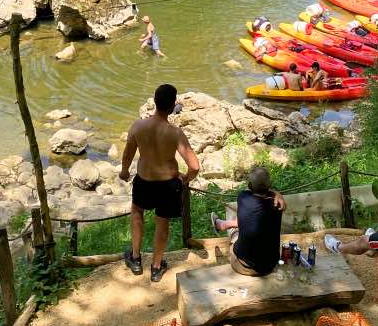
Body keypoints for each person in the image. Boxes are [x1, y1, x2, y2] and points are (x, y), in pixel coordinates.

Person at [121, 84, 200, 282]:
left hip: (144, 181)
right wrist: (185, 178)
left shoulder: (138, 126)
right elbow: (194, 166)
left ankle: (135, 258)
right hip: (167, 184)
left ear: (155, 101)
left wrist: (124, 171)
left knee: (137, 212)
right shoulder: (175, 133)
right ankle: (156, 267)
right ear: (172, 106)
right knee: (162, 221)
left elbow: (128, 153)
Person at [210, 167, 286, 276]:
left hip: (244, 266)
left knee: (235, 234)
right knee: (251, 221)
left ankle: (223, 225)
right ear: (269, 185)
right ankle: (223, 224)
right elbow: (274, 199)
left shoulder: (243, 198)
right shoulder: (278, 204)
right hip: (270, 265)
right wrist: (277, 193)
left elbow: (248, 196)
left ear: (250, 185)